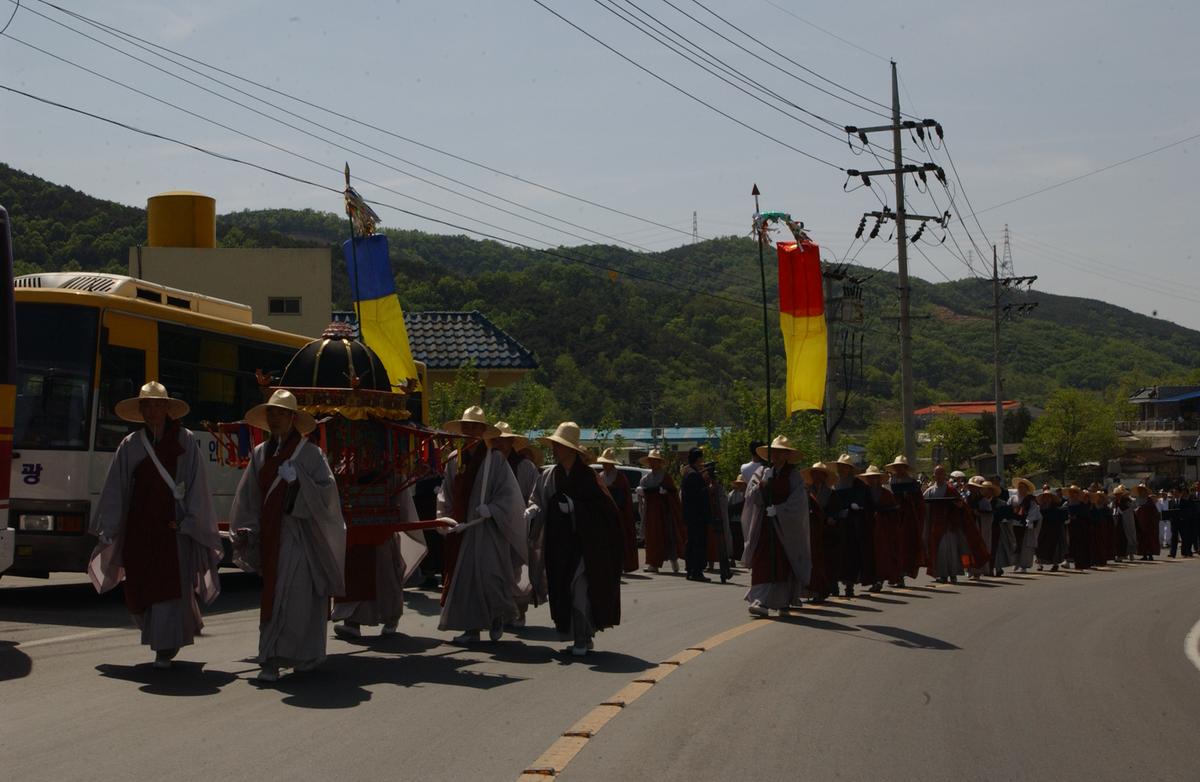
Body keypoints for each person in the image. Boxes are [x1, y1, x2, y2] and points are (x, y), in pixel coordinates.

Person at [89, 382, 221, 669]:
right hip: (139, 528)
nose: (152, 410)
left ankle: (165, 645)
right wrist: (109, 526)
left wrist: (190, 521)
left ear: (167, 408)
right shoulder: (131, 444)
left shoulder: (185, 441)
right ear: (141, 410)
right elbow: (116, 488)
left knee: (170, 586)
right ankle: (159, 636)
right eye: (146, 405)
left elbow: (198, 486)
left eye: (157, 405)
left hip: (173, 529)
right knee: (140, 586)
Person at [230, 389, 346, 683]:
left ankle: (299, 653)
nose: (275, 418)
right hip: (271, 535)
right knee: (273, 594)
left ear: (293, 418)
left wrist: (299, 484)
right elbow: (249, 496)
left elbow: (327, 494)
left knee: (295, 596)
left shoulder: (310, 453)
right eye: (271, 413)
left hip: (301, 535)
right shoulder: (260, 454)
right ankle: (269, 656)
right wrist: (246, 528)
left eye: (281, 413)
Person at [527, 422, 623, 656]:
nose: (556, 450)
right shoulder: (550, 474)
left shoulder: (589, 477)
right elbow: (537, 498)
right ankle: (583, 635)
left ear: (571, 449)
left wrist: (576, 508)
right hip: (559, 546)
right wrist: (532, 509)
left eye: (560, 446)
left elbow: (606, 511)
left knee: (580, 590)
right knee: (564, 591)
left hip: (585, 546)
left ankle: (581, 639)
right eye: (555, 446)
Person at [435, 406, 527, 644]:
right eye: (467, 427)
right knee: (464, 579)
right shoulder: (454, 460)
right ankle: (471, 629)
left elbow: (509, 495)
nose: (471, 431)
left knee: (490, 576)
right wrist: (443, 516)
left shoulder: (494, 459)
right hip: (461, 528)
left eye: (476, 427)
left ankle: (497, 616)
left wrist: (493, 509)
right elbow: (446, 493)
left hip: (486, 528)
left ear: (483, 431)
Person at [333, 484, 426, 640]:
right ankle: (355, 621)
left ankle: (381, 619)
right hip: (359, 527)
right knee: (361, 573)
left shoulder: (389, 470)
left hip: (373, 525)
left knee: (381, 573)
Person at [740, 436, 811, 616]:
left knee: (783, 561)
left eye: (781, 453)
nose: (777, 457)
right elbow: (752, 497)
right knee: (763, 561)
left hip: (785, 527)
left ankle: (783, 601)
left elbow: (799, 502)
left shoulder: (794, 476)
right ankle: (760, 600)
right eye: (775, 453)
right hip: (765, 525)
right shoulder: (763, 472)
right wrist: (764, 483)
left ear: (787, 455)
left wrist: (779, 510)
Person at [491, 421, 541, 627]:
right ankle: (500, 611)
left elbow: (535, 493)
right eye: (497, 440)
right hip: (494, 522)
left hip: (519, 522)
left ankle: (519, 610)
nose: (501, 444)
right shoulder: (489, 464)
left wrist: (532, 508)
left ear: (512, 442)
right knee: (496, 569)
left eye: (505, 440)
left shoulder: (525, 466)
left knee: (516, 569)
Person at [828, 454, 874, 596]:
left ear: (850, 469)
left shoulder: (859, 485)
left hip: (852, 526)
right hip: (836, 525)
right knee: (834, 555)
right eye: (839, 467)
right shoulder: (834, 484)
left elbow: (867, 504)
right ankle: (833, 585)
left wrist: (857, 507)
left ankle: (849, 586)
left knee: (850, 556)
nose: (841, 470)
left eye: (844, 467)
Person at [637, 449, 685, 574]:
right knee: (652, 537)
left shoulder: (665, 476)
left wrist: (666, 493)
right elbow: (643, 494)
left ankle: (674, 560)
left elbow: (673, 492)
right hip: (651, 512)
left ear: (659, 463)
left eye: (655, 461)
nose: (652, 463)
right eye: (651, 461)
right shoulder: (646, 478)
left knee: (668, 536)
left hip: (664, 512)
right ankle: (653, 564)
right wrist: (642, 492)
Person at [924, 465, 970, 584]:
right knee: (939, 552)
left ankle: (953, 574)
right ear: (933, 476)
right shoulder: (929, 491)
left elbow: (961, 505)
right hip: (936, 526)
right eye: (937, 474)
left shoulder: (951, 490)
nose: (939, 476)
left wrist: (957, 504)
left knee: (952, 550)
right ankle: (942, 574)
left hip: (949, 525)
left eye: (941, 474)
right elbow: (925, 509)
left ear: (945, 475)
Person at [595, 447, 639, 573]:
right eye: (603, 463)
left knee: (618, 540)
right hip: (603, 513)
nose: (604, 465)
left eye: (606, 463)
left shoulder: (620, 478)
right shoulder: (600, 476)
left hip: (618, 513)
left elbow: (623, 498)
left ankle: (619, 564)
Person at [884, 456, 924, 586]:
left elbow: (920, 503)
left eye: (901, 467)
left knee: (904, 547)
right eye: (896, 467)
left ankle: (901, 575)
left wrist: (909, 499)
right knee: (891, 547)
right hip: (892, 518)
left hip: (907, 520)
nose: (898, 469)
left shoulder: (912, 483)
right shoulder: (891, 482)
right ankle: (893, 575)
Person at [862, 465, 903, 588]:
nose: (872, 480)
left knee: (887, 553)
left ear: (878, 479)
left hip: (885, 529)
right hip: (870, 528)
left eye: (874, 478)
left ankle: (895, 577)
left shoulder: (886, 493)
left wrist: (883, 512)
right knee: (872, 555)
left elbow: (895, 510)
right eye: (870, 478)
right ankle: (876, 580)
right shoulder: (865, 493)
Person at [680, 448, 713, 582]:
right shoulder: (693, 474)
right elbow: (697, 496)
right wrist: (706, 485)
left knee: (692, 542)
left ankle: (690, 569)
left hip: (691, 515)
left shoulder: (688, 472)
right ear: (698, 459)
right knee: (698, 543)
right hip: (697, 515)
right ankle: (696, 571)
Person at [703, 461, 733, 582]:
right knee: (710, 543)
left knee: (720, 545)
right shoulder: (706, 484)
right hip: (710, 518)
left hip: (717, 518)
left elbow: (722, 501)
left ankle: (724, 571)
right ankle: (711, 565)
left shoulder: (718, 486)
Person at [965, 476, 996, 580]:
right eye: (970, 487)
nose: (972, 489)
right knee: (968, 549)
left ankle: (978, 571)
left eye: (974, 487)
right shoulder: (967, 498)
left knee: (979, 549)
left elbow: (989, 515)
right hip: (969, 526)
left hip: (979, 527)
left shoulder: (983, 501)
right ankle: (969, 569)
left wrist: (979, 513)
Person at [1010, 478, 1041, 574]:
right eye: (1020, 487)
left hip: (1025, 525)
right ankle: (1015, 563)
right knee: (1014, 544)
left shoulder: (1030, 500)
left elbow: (1034, 511)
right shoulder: (1013, 498)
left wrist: (1029, 520)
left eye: (1023, 488)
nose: (1021, 489)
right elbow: (1008, 508)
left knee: (1025, 546)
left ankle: (1024, 565)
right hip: (1014, 523)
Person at [1035, 488, 1068, 571]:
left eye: (1049, 497)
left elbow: (1062, 517)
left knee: (1054, 548)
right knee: (1039, 547)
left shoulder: (1057, 509)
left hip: (1054, 530)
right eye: (1045, 497)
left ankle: (1055, 564)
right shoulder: (1039, 509)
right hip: (1042, 530)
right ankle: (1039, 564)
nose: (1047, 499)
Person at [1065, 486, 1092, 570]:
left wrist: (1077, 517)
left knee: (1079, 546)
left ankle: (1080, 563)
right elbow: (1062, 512)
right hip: (1068, 527)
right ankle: (1067, 561)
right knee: (1068, 544)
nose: (1072, 495)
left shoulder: (1081, 505)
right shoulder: (1067, 504)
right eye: (1071, 493)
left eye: (1074, 493)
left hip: (1079, 528)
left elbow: (1087, 516)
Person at [1133, 484, 1161, 561]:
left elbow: (1155, 513)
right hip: (1140, 523)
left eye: (1142, 490)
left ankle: (1150, 555)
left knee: (1150, 539)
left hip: (1149, 524)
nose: (1140, 492)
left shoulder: (1149, 500)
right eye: (1139, 490)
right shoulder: (1137, 500)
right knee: (1142, 540)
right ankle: (1144, 554)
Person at [1112, 485, 1137, 562]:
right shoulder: (1115, 502)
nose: (1117, 496)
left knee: (1129, 536)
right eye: (1116, 495)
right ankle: (1120, 555)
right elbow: (1113, 510)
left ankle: (1131, 554)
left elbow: (1132, 507)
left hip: (1127, 521)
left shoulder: (1127, 501)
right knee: (1119, 539)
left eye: (1119, 494)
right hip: (1118, 522)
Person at [727, 477, 747, 561]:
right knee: (735, 538)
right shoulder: (731, 494)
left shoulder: (745, 494)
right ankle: (734, 556)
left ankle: (740, 555)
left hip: (742, 519)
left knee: (741, 538)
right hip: (733, 520)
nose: (739, 485)